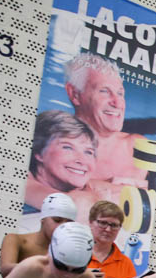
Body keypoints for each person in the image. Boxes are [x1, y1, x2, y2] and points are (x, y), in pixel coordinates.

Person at [62, 53, 146, 194]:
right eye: (104, 91)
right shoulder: (53, 147)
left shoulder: (137, 148)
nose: (118, 103)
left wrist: (95, 186)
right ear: (74, 94)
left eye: (120, 93)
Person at [24, 111, 98, 214]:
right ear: (39, 152)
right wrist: (95, 197)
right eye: (67, 147)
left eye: (88, 152)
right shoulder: (23, 180)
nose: (82, 161)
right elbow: (74, 206)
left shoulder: (85, 185)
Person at [0, 192, 76, 277]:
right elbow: (5, 270)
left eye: (69, 223)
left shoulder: (69, 251)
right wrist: (45, 267)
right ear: (43, 219)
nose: (62, 227)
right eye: (57, 220)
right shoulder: (15, 240)